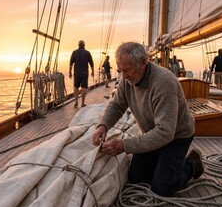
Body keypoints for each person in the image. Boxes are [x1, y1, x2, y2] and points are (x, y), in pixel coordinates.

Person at [91, 42, 204, 197]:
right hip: (153, 133)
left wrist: (125, 145)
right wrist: (102, 126)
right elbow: (117, 106)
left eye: (127, 70)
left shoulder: (164, 83)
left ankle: (192, 163)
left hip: (177, 137)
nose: (123, 76)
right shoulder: (127, 80)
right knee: (136, 178)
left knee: (162, 187)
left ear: (143, 62)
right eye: (120, 71)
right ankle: (163, 162)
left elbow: (165, 133)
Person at [69, 40, 94, 107]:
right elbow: (91, 63)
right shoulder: (87, 53)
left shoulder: (74, 52)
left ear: (78, 45)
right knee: (84, 88)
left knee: (76, 87)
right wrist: (93, 71)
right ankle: (82, 103)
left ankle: (76, 101)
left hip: (77, 73)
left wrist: (69, 72)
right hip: (84, 73)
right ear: (84, 45)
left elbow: (71, 63)